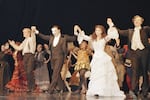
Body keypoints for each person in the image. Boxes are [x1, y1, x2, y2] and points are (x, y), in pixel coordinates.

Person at [74, 24, 125, 97]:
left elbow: (111, 35)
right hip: (96, 58)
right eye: (96, 30)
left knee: (103, 74)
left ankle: (103, 90)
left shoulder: (104, 39)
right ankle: (96, 90)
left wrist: (110, 25)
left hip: (103, 57)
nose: (97, 31)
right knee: (96, 74)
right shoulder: (92, 39)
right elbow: (84, 37)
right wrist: (78, 29)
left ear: (102, 31)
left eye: (99, 30)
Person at [107, 15, 150, 98]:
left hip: (144, 52)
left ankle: (145, 91)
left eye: (139, 20)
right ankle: (135, 90)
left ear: (141, 21)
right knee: (135, 71)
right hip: (133, 53)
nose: (137, 21)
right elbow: (119, 31)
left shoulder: (145, 29)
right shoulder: (130, 31)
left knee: (144, 72)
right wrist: (112, 25)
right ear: (133, 22)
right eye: (135, 20)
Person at [34, 25, 77, 94]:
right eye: (52, 31)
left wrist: (75, 32)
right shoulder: (51, 37)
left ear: (59, 30)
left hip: (60, 57)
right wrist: (37, 32)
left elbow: (73, 38)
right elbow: (44, 37)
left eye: (55, 30)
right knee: (57, 74)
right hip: (53, 57)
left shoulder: (64, 37)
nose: (53, 32)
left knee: (55, 73)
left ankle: (50, 89)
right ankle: (62, 88)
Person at [8, 27, 36, 92]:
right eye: (23, 32)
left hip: (30, 56)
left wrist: (32, 30)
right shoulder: (25, 40)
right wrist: (12, 44)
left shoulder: (31, 39)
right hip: (25, 56)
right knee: (27, 72)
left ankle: (32, 87)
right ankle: (30, 87)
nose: (23, 33)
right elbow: (19, 48)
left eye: (24, 32)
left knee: (29, 71)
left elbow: (33, 34)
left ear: (28, 33)